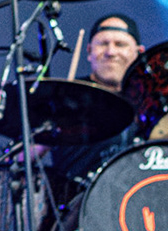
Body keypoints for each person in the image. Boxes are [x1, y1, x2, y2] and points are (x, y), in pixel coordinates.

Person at [46, 13, 146, 201]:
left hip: (139, 201)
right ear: (89, 51)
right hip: (75, 203)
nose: (111, 52)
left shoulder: (149, 100)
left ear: (139, 53)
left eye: (120, 44)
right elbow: (24, 156)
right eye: (103, 44)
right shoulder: (67, 94)